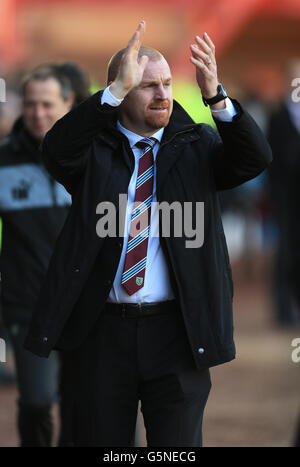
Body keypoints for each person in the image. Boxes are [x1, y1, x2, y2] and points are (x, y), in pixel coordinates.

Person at [25, 21, 272, 447]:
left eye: (166, 84)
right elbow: (56, 150)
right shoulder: (93, 151)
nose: (162, 94)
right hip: (102, 334)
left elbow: (254, 158)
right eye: (146, 86)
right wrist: (111, 95)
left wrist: (216, 96)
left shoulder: (199, 145)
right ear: (120, 91)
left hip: (178, 333)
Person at [0, 65, 74, 446]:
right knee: (37, 401)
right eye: (30, 104)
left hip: (84, 305)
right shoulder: (3, 160)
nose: (38, 113)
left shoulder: (88, 157)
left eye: (47, 104)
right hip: (26, 306)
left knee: (85, 403)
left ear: (68, 104)